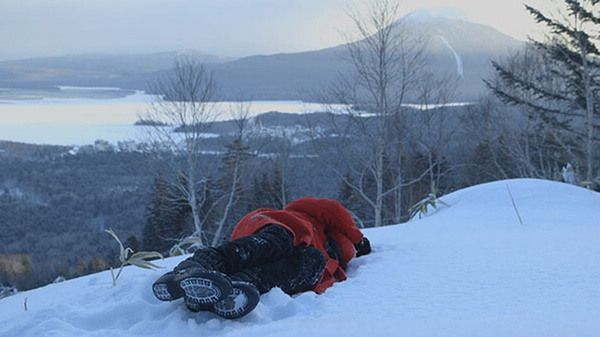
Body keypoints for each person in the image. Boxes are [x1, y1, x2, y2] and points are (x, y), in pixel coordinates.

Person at [152, 197, 371, 319]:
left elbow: (323, 272)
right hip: (282, 226)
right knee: (268, 246)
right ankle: (189, 270)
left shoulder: (327, 257)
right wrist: (359, 239)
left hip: (305, 253)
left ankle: (232, 288)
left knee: (307, 264)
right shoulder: (303, 212)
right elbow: (332, 209)